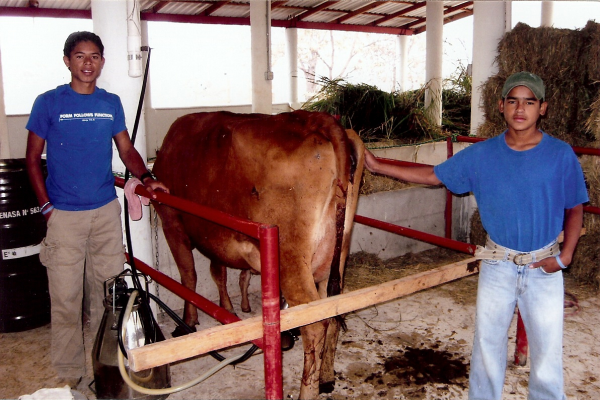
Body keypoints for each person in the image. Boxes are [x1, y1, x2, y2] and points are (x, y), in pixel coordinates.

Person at [364, 71, 588, 400]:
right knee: (486, 346)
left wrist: (564, 256)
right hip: (498, 264)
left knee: (547, 351)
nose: (520, 108)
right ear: (501, 106)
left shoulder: (560, 155)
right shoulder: (482, 155)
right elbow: (433, 175)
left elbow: (575, 207)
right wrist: (379, 167)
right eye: (513, 101)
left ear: (543, 108)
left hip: (544, 267)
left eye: (529, 101)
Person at [25, 31, 169, 389]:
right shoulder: (48, 102)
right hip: (64, 218)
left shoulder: (111, 102)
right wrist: (47, 209)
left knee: (108, 297)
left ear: (102, 62)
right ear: (67, 60)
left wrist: (147, 177)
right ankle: (71, 379)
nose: (88, 64)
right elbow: (31, 160)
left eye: (94, 57)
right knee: (66, 301)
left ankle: (105, 373)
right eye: (80, 56)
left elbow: (126, 150)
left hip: (105, 213)